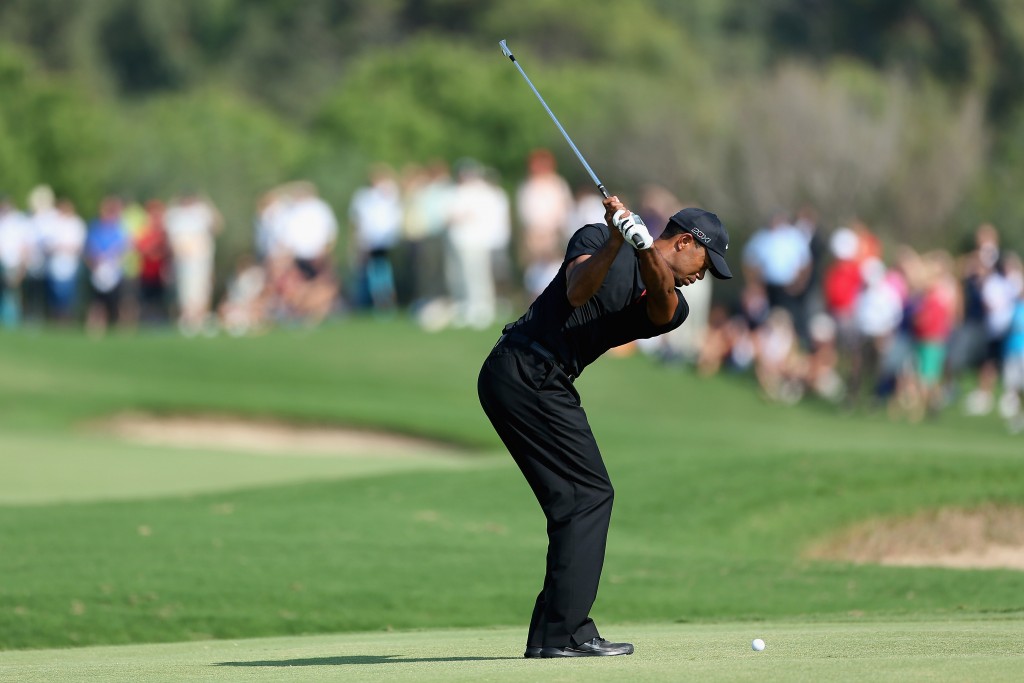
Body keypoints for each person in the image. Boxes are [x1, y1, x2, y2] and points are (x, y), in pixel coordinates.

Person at [478, 195, 732, 658]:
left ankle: (550, 635)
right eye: (705, 261)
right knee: (589, 496)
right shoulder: (596, 238)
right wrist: (617, 238)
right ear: (684, 241)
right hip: (521, 369)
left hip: (540, 380)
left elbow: (659, 301)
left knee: (573, 500)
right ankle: (566, 633)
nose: (703, 274)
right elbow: (577, 289)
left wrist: (640, 248)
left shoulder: (675, 306)